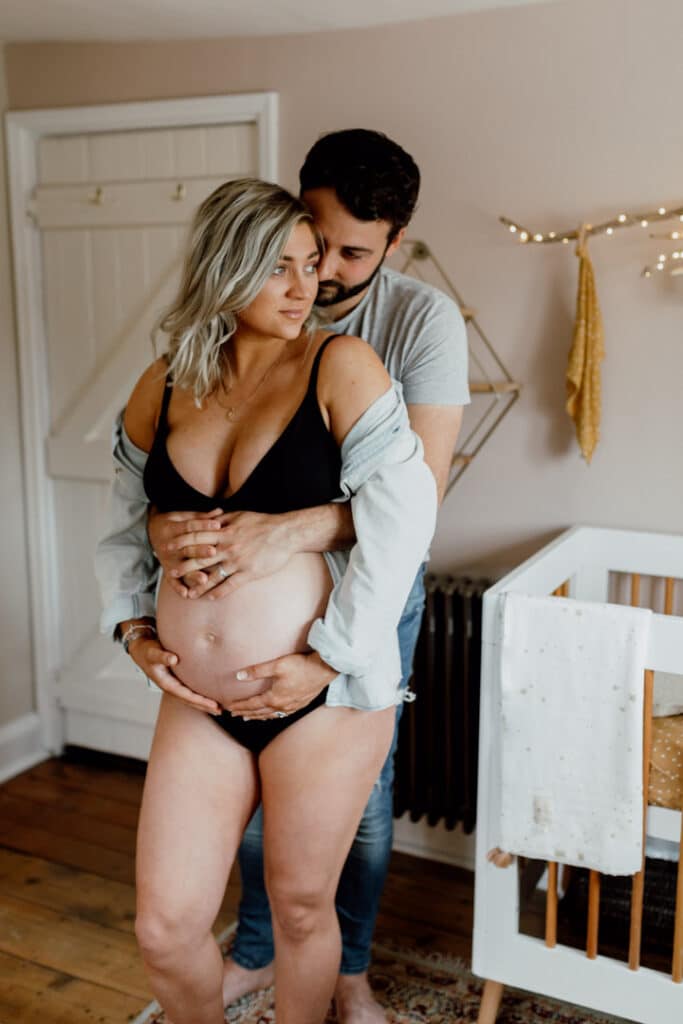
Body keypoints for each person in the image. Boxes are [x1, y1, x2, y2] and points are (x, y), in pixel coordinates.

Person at [96, 176, 437, 1024]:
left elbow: (402, 521)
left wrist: (325, 660)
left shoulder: (338, 365)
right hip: (197, 698)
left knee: (296, 908)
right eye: (275, 268)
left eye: (308, 264)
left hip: (320, 697)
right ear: (223, 269)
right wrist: (133, 628)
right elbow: (121, 521)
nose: (304, 286)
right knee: (167, 926)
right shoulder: (166, 382)